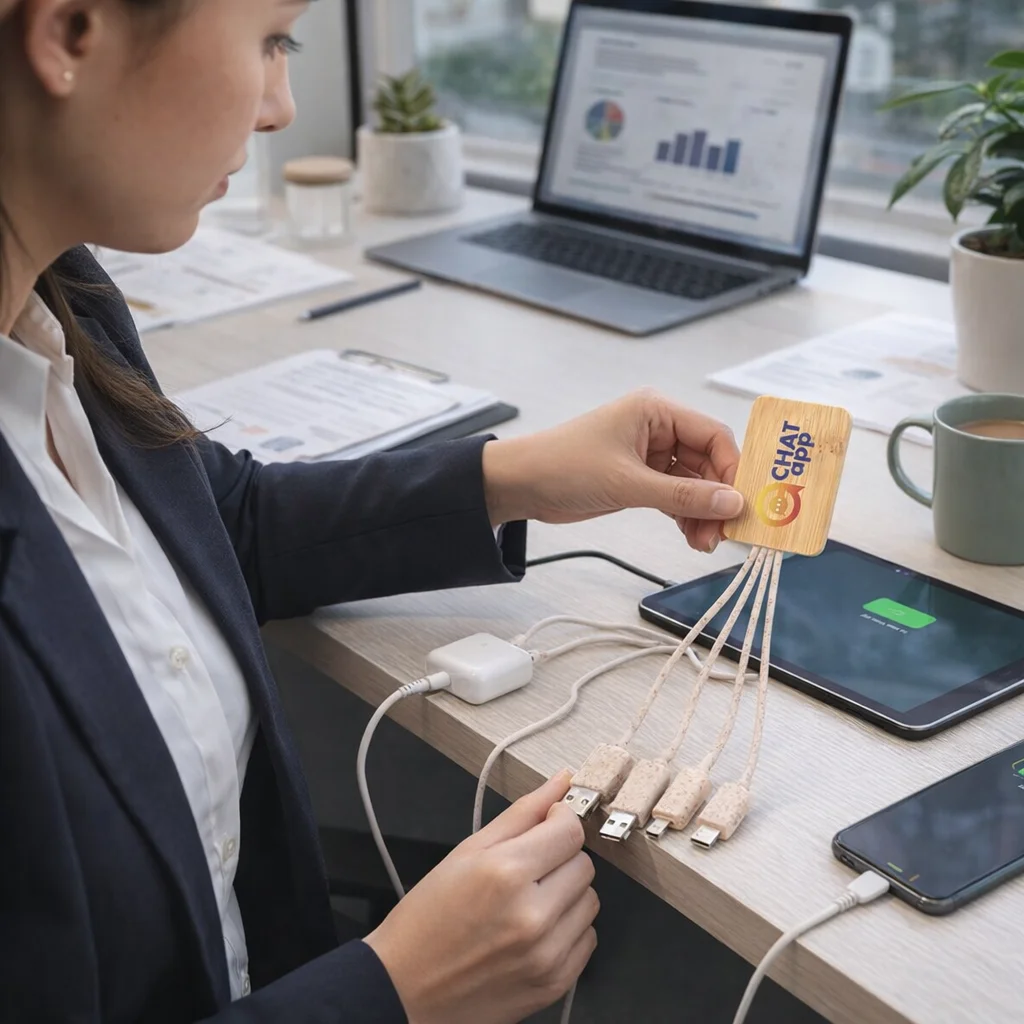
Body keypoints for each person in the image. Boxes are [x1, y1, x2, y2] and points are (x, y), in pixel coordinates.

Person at [0, 1, 745, 1022]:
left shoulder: (63, 296)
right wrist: (393, 988)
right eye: (270, 39)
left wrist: (514, 474)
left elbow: (214, 519)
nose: (280, 106)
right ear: (69, 32)